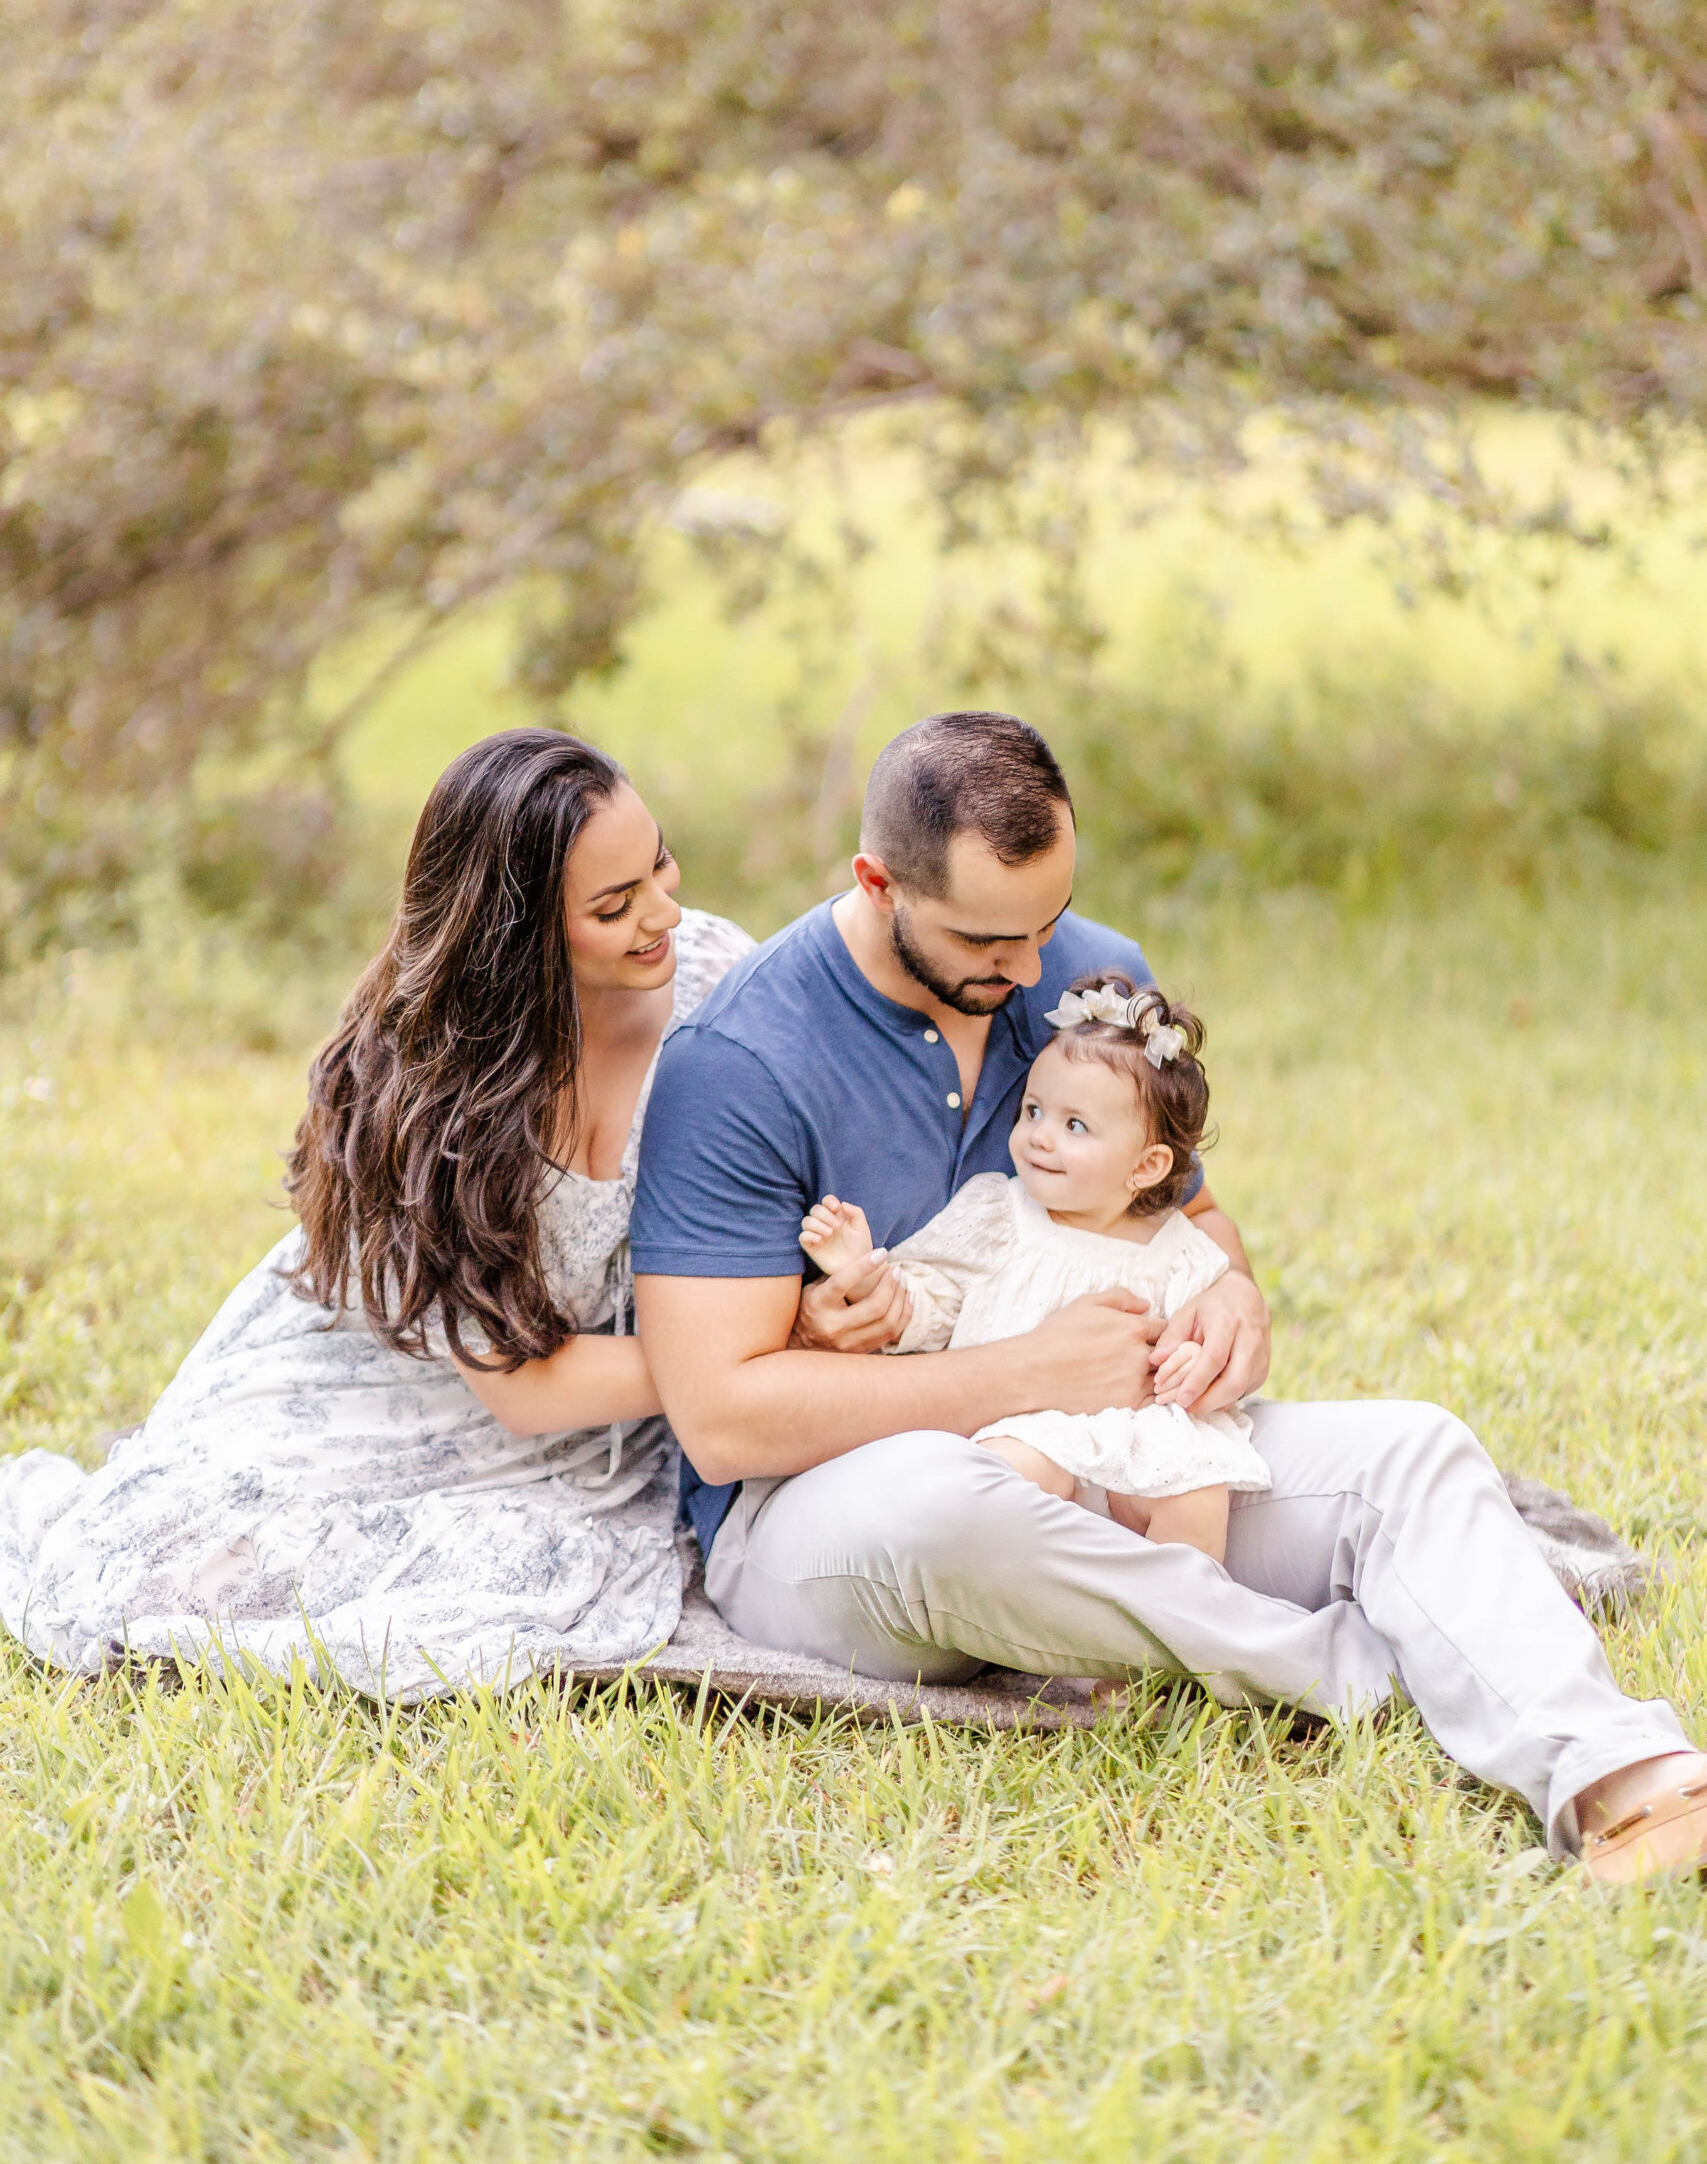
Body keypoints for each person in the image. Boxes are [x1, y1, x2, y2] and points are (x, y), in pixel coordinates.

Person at [629, 710, 1707, 1883]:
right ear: (878, 881)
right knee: (945, 1503)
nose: (1034, 970)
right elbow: (721, 1418)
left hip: (1109, 1461)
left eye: (1049, 922)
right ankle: (1354, 1668)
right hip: (833, 1519)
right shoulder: (739, 1062)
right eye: (993, 938)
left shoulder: (1091, 982)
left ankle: (1619, 1776)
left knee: (1412, 1448)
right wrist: (1021, 1374)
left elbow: (1189, 1220)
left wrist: (1234, 1297)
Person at [0, 728, 751, 1696]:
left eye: (660, 863)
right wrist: (739, 1361)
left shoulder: (718, 977)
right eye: (615, 906)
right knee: (165, 1572)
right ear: (515, 933)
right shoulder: (425, 1091)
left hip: (621, 1388)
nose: (666, 911)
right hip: (409, 1361)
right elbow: (526, 1391)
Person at [799, 973, 1268, 1560]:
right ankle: (1043, 1610)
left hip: (1136, 1438)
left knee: (1196, 1491)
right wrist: (866, 1275)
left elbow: (1208, 1332)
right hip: (1019, 1426)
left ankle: (1180, 1620)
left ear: (1147, 1166)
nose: (1039, 1138)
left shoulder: (1176, 1247)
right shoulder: (1000, 1212)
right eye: (1033, 1111)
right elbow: (933, 1302)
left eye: (1074, 1126)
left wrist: (1193, 1359)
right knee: (1013, 1479)